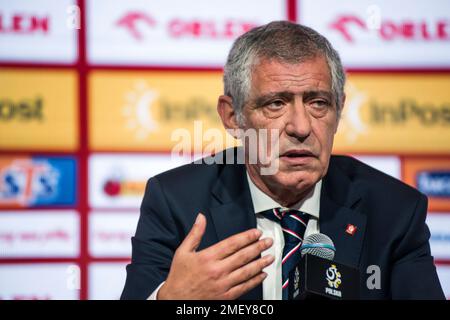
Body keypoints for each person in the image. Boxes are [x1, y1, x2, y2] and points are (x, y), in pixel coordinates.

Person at [121, 21, 444, 300]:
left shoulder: (394, 211)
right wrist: (171, 299)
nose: (301, 127)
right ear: (232, 116)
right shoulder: (176, 201)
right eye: (276, 103)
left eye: (318, 103)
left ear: (339, 111)